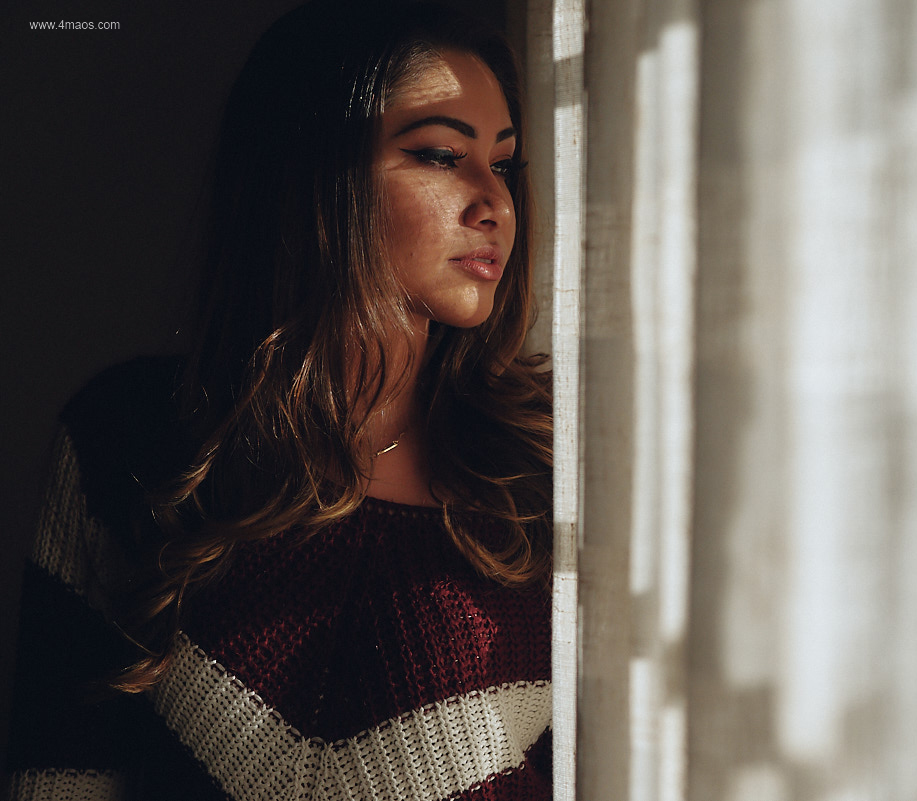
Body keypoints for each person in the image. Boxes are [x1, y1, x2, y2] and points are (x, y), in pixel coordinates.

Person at [4, 2, 553, 799]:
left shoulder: (542, 466)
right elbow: (56, 773)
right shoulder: (129, 440)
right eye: (441, 155)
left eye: (504, 165)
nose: (493, 204)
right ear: (314, 174)